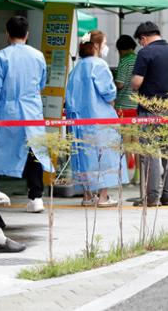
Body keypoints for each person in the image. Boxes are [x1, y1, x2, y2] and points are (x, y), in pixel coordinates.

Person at [0, 16, 52, 213]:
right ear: (27, 34)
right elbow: (41, 83)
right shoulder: (38, 56)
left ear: (7, 33)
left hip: (7, 111)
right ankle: (36, 197)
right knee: (34, 151)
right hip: (31, 110)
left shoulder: (1, 57)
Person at [66, 31, 128, 207]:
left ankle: (87, 195)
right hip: (100, 117)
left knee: (84, 156)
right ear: (95, 46)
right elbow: (109, 92)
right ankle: (103, 196)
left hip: (79, 121)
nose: (105, 47)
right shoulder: (99, 65)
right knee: (105, 155)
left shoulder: (77, 66)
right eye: (104, 43)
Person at [131, 22, 168, 207]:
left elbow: (137, 82)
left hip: (150, 109)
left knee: (150, 152)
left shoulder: (145, 53)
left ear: (143, 38)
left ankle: (151, 197)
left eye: (141, 41)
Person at [114, 35, 138, 113]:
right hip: (138, 105)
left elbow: (120, 84)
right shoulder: (140, 60)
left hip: (123, 106)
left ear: (121, 49)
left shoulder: (124, 61)